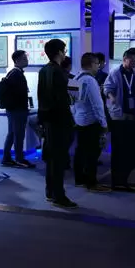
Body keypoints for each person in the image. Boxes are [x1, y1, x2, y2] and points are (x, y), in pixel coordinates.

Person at [38, 39, 77, 209]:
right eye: (64, 50)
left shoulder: (43, 70)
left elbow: (41, 97)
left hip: (48, 121)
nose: (65, 53)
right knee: (59, 160)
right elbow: (62, 100)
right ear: (60, 52)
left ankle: (50, 191)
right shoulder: (59, 72)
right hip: (60, 121)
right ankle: (59, 196)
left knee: (51, 159)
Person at [73, 53, 110, 192]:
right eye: (97, 64)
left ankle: (79, 179)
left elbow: (71, 102)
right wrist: (104, 124)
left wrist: (75, 117)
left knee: (80, 152)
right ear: (92, 64)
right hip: (91, 122)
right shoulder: (90, 80)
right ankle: (92, 183)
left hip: (79, 121)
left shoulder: (75, 78)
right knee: (92, 154)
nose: (98, 67)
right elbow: (97, 104)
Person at [1, 50, 35, 169]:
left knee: (12, 134)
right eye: (24, 58)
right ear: (17, 60)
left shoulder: (13, 73)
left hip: (13, 110)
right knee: (18, 135)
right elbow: (18, 94)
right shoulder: (16, 74)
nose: (27, 60)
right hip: (17, 110)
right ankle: (19, 159)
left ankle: (6, 158)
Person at [104, 48, 135, 121]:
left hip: (133, 111)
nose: (134, 64)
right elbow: (107, 87)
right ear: (125, 59)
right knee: (119, 128)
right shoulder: (115, 73)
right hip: (119, 110)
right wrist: (111, 97)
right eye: (132, 61)